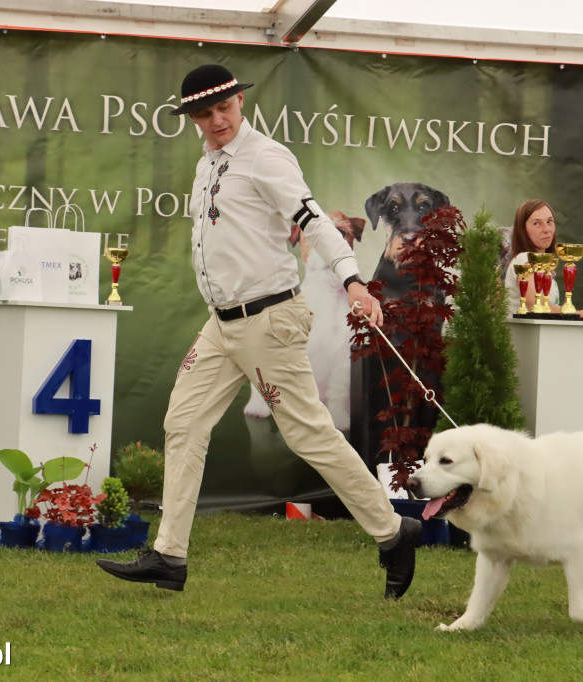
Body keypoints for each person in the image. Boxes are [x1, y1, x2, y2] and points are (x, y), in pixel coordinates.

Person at [96, 64, 421, 598]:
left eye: (224, 108)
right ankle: (169, 557)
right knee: (183, 424)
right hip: (222, 325)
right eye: (205, 113)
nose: (217, 120)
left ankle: (393, 530)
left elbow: (314, 220)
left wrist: (355, 282)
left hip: (269, 319)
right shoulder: (208, 164)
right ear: (193, 118)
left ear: (240, 103)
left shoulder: (266, 157)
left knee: (307, 434)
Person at [503, 198, 583, 321]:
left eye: (550, 221)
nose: (546, 229)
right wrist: (575, 313)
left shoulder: (545, 268)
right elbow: (535, 304)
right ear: (522, 230)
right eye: (536, 223)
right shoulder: (525, 259)